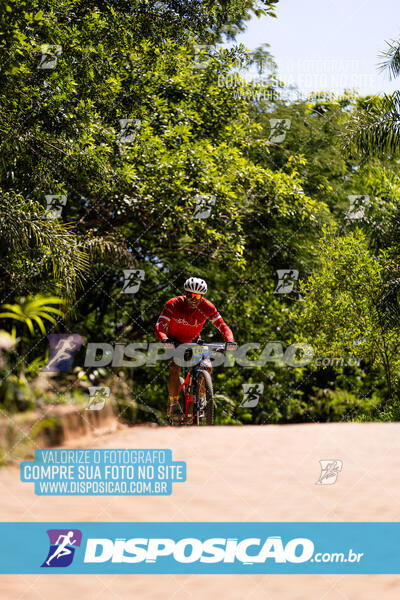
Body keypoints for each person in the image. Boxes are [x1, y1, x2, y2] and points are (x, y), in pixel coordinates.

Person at [155, 277, 236, 420]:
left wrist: (229, 340)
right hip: (174, 342)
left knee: (207, 367)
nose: (193, 299)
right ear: (185, 293)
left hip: (195, 341)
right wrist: (165, 339)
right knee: (174, 367)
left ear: (202, 296)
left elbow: (222, 325)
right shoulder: (173, 304)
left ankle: (202, 400)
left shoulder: (207, 307)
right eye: (189, 295)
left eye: (197, 296)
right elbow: (159, 325)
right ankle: (174, 405)